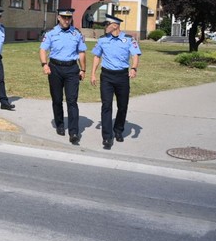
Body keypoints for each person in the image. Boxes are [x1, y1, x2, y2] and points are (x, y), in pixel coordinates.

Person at [91, 14, 141, 149]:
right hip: (106, 76)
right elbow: (97, 57)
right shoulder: (102, 40)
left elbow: (135, 55)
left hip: (122, 76)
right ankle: (107, 137)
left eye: (106, 25)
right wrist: (93, 74)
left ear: (115, 26)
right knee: (106, 105)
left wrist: (134, 68)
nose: (104, 28)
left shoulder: (129, 39)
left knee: (122, 105)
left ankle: (118, 130)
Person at [39, 8, 88, 144]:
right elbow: (43, 49)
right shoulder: (51, 33)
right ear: (58, 17)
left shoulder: (76, 33)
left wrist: (83, 69)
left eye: (69, 18)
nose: (67, 20)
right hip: (55, 68)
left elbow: (82, 52)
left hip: (72, 69)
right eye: (64, 17)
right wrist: (44, 64)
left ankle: (73, 132)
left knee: (72, 101)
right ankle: (60, 124)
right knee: (57, 99)